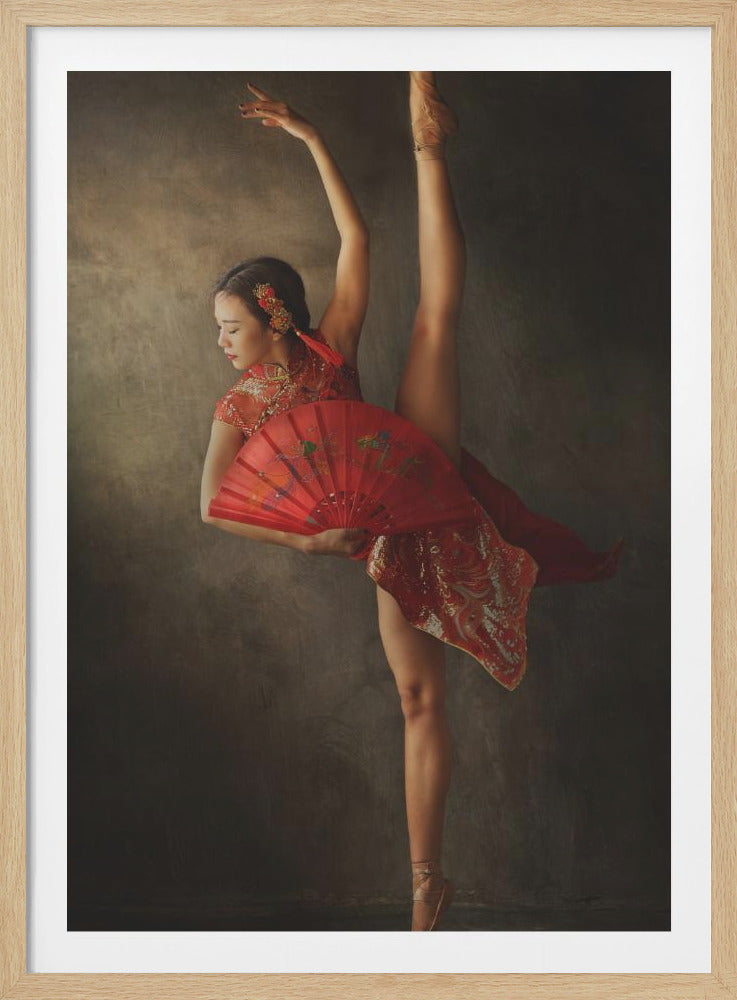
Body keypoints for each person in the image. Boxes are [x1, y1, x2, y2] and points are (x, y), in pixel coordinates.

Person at [200, 73, 624, 931]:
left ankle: (430, 144)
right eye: (217, 331)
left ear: (275, 317)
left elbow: (355, 236)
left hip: (414, 464)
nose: (221, 342)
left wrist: (310, 138)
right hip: (381, 540)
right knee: (416, 702)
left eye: (231, 326)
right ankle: (426, 883)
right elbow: (213, 505)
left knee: (435, 318)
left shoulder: (327, 346)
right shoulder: (237, 407)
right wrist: (309, 546)